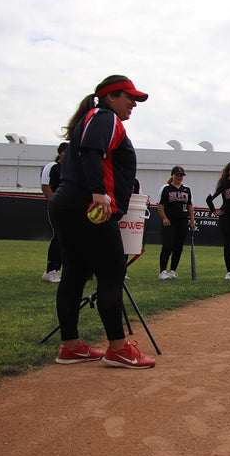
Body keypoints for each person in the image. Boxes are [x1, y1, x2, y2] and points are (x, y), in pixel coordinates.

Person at [49, 74, 155, 369]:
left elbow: (90, 152)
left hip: (68, 203)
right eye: (129, 97)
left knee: (75, 272)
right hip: (88, 205)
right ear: (111, 96)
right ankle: (119, 349)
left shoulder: (94, 117)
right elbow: (92, 152)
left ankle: (71, 346)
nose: (133, 104)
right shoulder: (105, 117)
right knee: (112, 271)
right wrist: (98, 193)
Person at [156, 166, 195, 280]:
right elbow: (159, 204)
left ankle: (173, 271)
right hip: (169, 221)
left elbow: (190, 205)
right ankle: (162, 272)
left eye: (181, 175)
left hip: (182, 221)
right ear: (172, 175)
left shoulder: (186, 189)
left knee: (178, 247)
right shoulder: (166, 188)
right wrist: (164, 218)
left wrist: (192, 220)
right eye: (177, 175)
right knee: (167, 245)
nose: (179, 177)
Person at [40, 142, 68, 283]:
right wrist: (53, 202)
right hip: (56, 207)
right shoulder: (52, 167)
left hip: (68, 208)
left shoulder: (71, 169)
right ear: (61, 152)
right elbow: (45, 186)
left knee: (66, 238)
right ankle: (50, 270)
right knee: (58, 236)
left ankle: (58, 270)